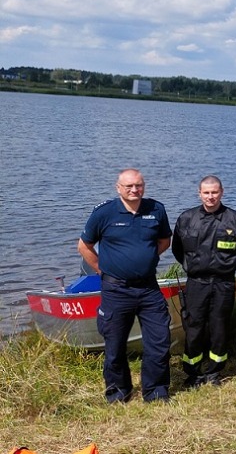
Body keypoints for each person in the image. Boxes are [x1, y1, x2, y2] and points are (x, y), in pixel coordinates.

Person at [77, 168, 173, 403]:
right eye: (129, 186)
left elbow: (164, 241)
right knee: (115, 344)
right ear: (118, 187)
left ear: (144, 186)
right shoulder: (104, 212)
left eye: (138, 185)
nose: (134, 190)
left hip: (149, 288)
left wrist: (146, 259)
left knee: (159, 340)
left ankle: (156, 391)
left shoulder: (156, 210)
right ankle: (119, 392)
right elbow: (84, 246)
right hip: (116, 290)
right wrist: (103, 269)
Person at [171, 175, 236, 387]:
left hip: (224, 282)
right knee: (194, 326)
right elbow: (177, 249)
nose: (210, 196)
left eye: (214, 192)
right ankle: (193, 372)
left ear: (221, 192)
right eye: (206, 192)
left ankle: (214, 372)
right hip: (196, 282)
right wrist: (195, 266)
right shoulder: (187, 218)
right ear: (199, 193)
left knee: (219, 326)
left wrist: (226, 267)